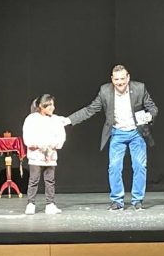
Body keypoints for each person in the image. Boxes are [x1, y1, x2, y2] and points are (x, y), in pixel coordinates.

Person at [65, 64, 158, 211]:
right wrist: (69, 120)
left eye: (122, 78)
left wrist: (149, 115)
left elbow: (152, 107)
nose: (120, 82)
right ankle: (117, 201)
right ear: (112, 79)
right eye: (116, 79)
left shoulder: (139, 88)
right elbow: (90, 109)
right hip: (117, 132)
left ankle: (137, 200)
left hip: (136, 132)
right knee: (114, 167)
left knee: (140, 166)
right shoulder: (105, 91)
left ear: (128, 77)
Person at [21, 93, 67, 215]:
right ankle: (30, 204)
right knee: (34, 180)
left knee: (50, 180)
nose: (52, 107)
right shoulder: (31, 119)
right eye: (49, 105)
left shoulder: (55, 120)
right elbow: (28, 138)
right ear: (41, 106)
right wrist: (40, 145)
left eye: (53, 104)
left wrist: (52, 145)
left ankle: (50, 204)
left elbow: (61, 137)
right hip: (36, 155)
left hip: (50, 155)